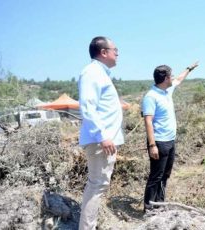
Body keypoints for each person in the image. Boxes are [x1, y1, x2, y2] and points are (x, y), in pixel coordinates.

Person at [78, 36, 124, 230]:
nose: (118, 53)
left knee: (99, 185)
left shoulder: (100, 73)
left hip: (103, 140)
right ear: (103, 52)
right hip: (100, 141)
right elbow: (88, 106)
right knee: (97, 185)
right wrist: (102, 136)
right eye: (115, 49)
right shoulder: (92, 72)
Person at [141, 61, 199, 211]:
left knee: (165, 175)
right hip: (159, 142)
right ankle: (148, 208)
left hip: (170, 141)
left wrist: (189, 68)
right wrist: (152, 145)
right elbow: (148, 121)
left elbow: (179, 79)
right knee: (156, 176)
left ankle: (159, 205)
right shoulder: (151, 96)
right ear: (166, 78)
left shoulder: (167, 90)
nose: (173, 78)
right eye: (170, 76)